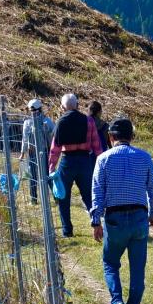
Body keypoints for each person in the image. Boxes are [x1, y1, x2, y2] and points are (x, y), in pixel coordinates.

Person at [90, 117, 153, 304]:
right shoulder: (145, 157)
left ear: (110, 137)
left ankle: (117, 302)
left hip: (115, 219)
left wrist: (95, 221)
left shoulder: (103, 159)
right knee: (138, 270)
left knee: (110, 263)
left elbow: (97, 191)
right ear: (132, 137)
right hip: (139, 218)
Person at [48, 93, 103, 237]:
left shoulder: (60, 122)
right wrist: (101, 162)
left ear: (62, 107)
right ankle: (96, 223)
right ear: (77, 105)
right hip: (85, 161)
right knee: (89, 195)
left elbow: (55, 148)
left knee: (63, 196)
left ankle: (67, 230)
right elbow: (96, 144)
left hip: (67, 162)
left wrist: (52, 166)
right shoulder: (89, 121)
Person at [19, 98, 56, 205]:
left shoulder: (45, 121)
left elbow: (54, 133)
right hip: (34, 153)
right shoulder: (31, 122)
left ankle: (55, 197)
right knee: (34, 176)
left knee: (47, 175)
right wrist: (22, 153)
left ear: (37, 109)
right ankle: (34, 199)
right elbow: (24, 139)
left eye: (32, 110)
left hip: (44, 151)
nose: (31, 112)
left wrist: (51, 146)